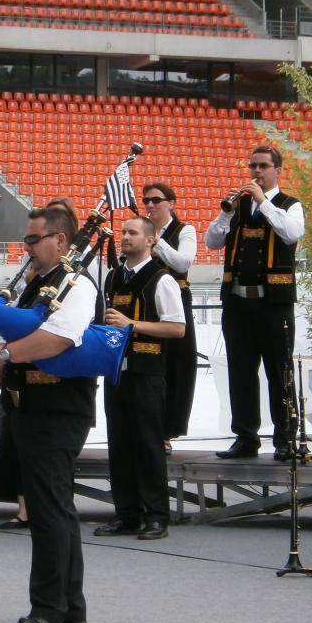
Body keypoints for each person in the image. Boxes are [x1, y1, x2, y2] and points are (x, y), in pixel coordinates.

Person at [0, 205, 97, 623]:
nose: (25, 247)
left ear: (60, 241)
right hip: (28, 405)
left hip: (57, 408)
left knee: (48, 513)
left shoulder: (76, 283)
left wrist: (5, 355)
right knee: (55, 509)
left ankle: (47, 609)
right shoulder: (36, 284)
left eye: (33, 239)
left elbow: (61, 336)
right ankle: (70, 607)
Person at [205, 146, 305, 461]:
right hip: (238, 303)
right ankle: (245, 437)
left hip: (273, 304)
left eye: (263, 166)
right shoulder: (239, 206)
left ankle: (286, 438)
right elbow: (212, 241)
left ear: (277, 170)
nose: (256, 172)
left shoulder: (290, 205)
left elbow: (291, 233)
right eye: (253, 166)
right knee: (241, 372)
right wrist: (226, 212)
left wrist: (263, 201)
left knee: (279, 370)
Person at [93, 216, 185, 540]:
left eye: (133, 233)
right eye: (124, 232)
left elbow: (177, 328)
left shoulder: (162, 280)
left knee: (148, 445)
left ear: (150, 240)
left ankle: (157, 515)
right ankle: (126, 513)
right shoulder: (113, 278)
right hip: (117, 373)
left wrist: (133, 324)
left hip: (147, 372)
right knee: (119, 445)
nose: (125, 237)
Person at [142, 182, 198, 453]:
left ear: (171, 203)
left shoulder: (184, 230)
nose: (150, 206)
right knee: (150, 363)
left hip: (176, 298)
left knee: (177, 364)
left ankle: (168, 428)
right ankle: (148, 426)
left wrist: (156, 241)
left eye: (156, 200)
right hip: (147, 302)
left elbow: (182, 263)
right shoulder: (141, 228)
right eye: (147, 201)